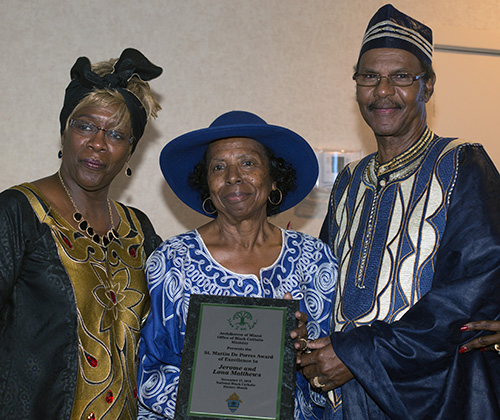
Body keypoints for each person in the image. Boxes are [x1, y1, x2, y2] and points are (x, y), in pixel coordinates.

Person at [298, 4, 500, 419]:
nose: (383, 91)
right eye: (369, 77)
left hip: (441, 394)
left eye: (401, 77)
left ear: (427, 88)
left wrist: (355, 354)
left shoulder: (463, 164)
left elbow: (468, 297)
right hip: (348, 400)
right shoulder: (350, 180)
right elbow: (328, 286)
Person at [136, 110, 338, 420]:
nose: (232, 177)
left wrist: (303, 350)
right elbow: (151, 371)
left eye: (247, 163)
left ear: (273, 180)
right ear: (207, 184)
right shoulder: (171, 260)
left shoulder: (315, 260)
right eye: (219, 167)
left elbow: (331, 375)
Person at [0, 48, 163, 419]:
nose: (98, 143)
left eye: (117, 134)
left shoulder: (141, 231)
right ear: (64, 131)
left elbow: (172, 330)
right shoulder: (18, 213)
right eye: (85, 125)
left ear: (130, 152)